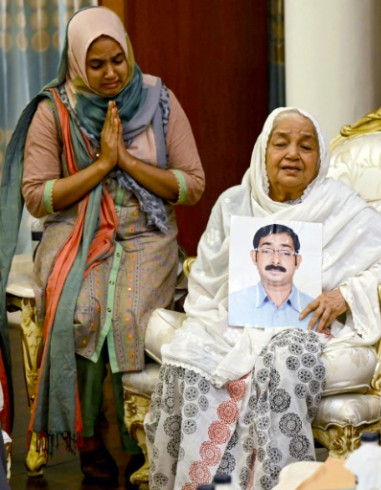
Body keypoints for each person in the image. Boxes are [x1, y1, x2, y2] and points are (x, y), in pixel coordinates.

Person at [144, 107, 381, 490]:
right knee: (188, 353)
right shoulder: (234, 203)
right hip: (233, 320)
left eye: (306, 146)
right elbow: (205, 278)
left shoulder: (339, 204)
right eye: (281, 143)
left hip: (305, 326)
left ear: (320, 160)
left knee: (282, 360)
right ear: (262, 151)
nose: (292, 154)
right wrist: (224, 319)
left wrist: (345, 294)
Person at [0, 6, 205, 483]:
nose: (112, 73)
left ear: (129, 53)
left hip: (146, 234)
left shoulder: (160, 100)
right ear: (76, 64)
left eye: (119, 60)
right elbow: (37, 195)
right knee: (83, 311)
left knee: (128, 313)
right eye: (97, 65)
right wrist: (100, 166)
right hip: (74, 232)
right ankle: (88, 441)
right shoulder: (54, 110)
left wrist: (129, 165)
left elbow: (192, 184)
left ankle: (138, 442)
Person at [229, 223, 315, 328]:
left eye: (285, 252)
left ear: (297, 261)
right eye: (267, 251)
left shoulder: (314, 308)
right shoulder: (234, 303)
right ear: (254, 256)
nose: (275, 261)